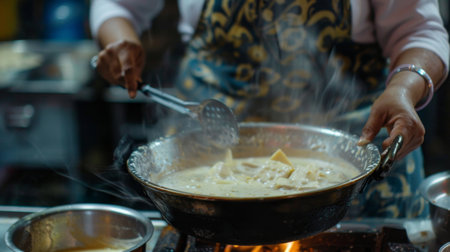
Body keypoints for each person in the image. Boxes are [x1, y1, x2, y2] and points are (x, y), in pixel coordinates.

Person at [89, 0, 449, 218]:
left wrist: (403, 89)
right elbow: (119, 6)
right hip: (207, 148)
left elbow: (420, 29)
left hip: (355, 151)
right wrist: (120, 39)